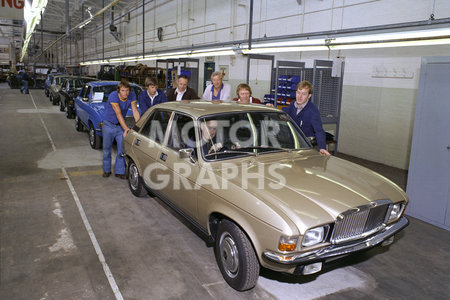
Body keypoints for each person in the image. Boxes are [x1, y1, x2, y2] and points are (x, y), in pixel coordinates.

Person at [102, 79, 141, 178]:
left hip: (120, 126)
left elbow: (135, 111)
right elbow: (118, 114)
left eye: (127, 90)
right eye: (123, 90)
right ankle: (106, 170)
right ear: (119, 91)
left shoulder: (132, 95)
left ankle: (119, 171)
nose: (125, 93)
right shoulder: (113, 96)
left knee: (122, 150)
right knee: (107, 149)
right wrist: (126, 129)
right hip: (108, 124)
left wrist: (139, 126)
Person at [283, 80, 330, 156]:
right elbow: (284, 113)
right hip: (291, 144)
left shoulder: (313, 111)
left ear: (309, 96)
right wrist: (272, 108)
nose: (299, 96)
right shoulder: (293, 105)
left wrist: (322, 147)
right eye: (298, 93)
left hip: (304, 148)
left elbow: (319, 131)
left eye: (304, 94)